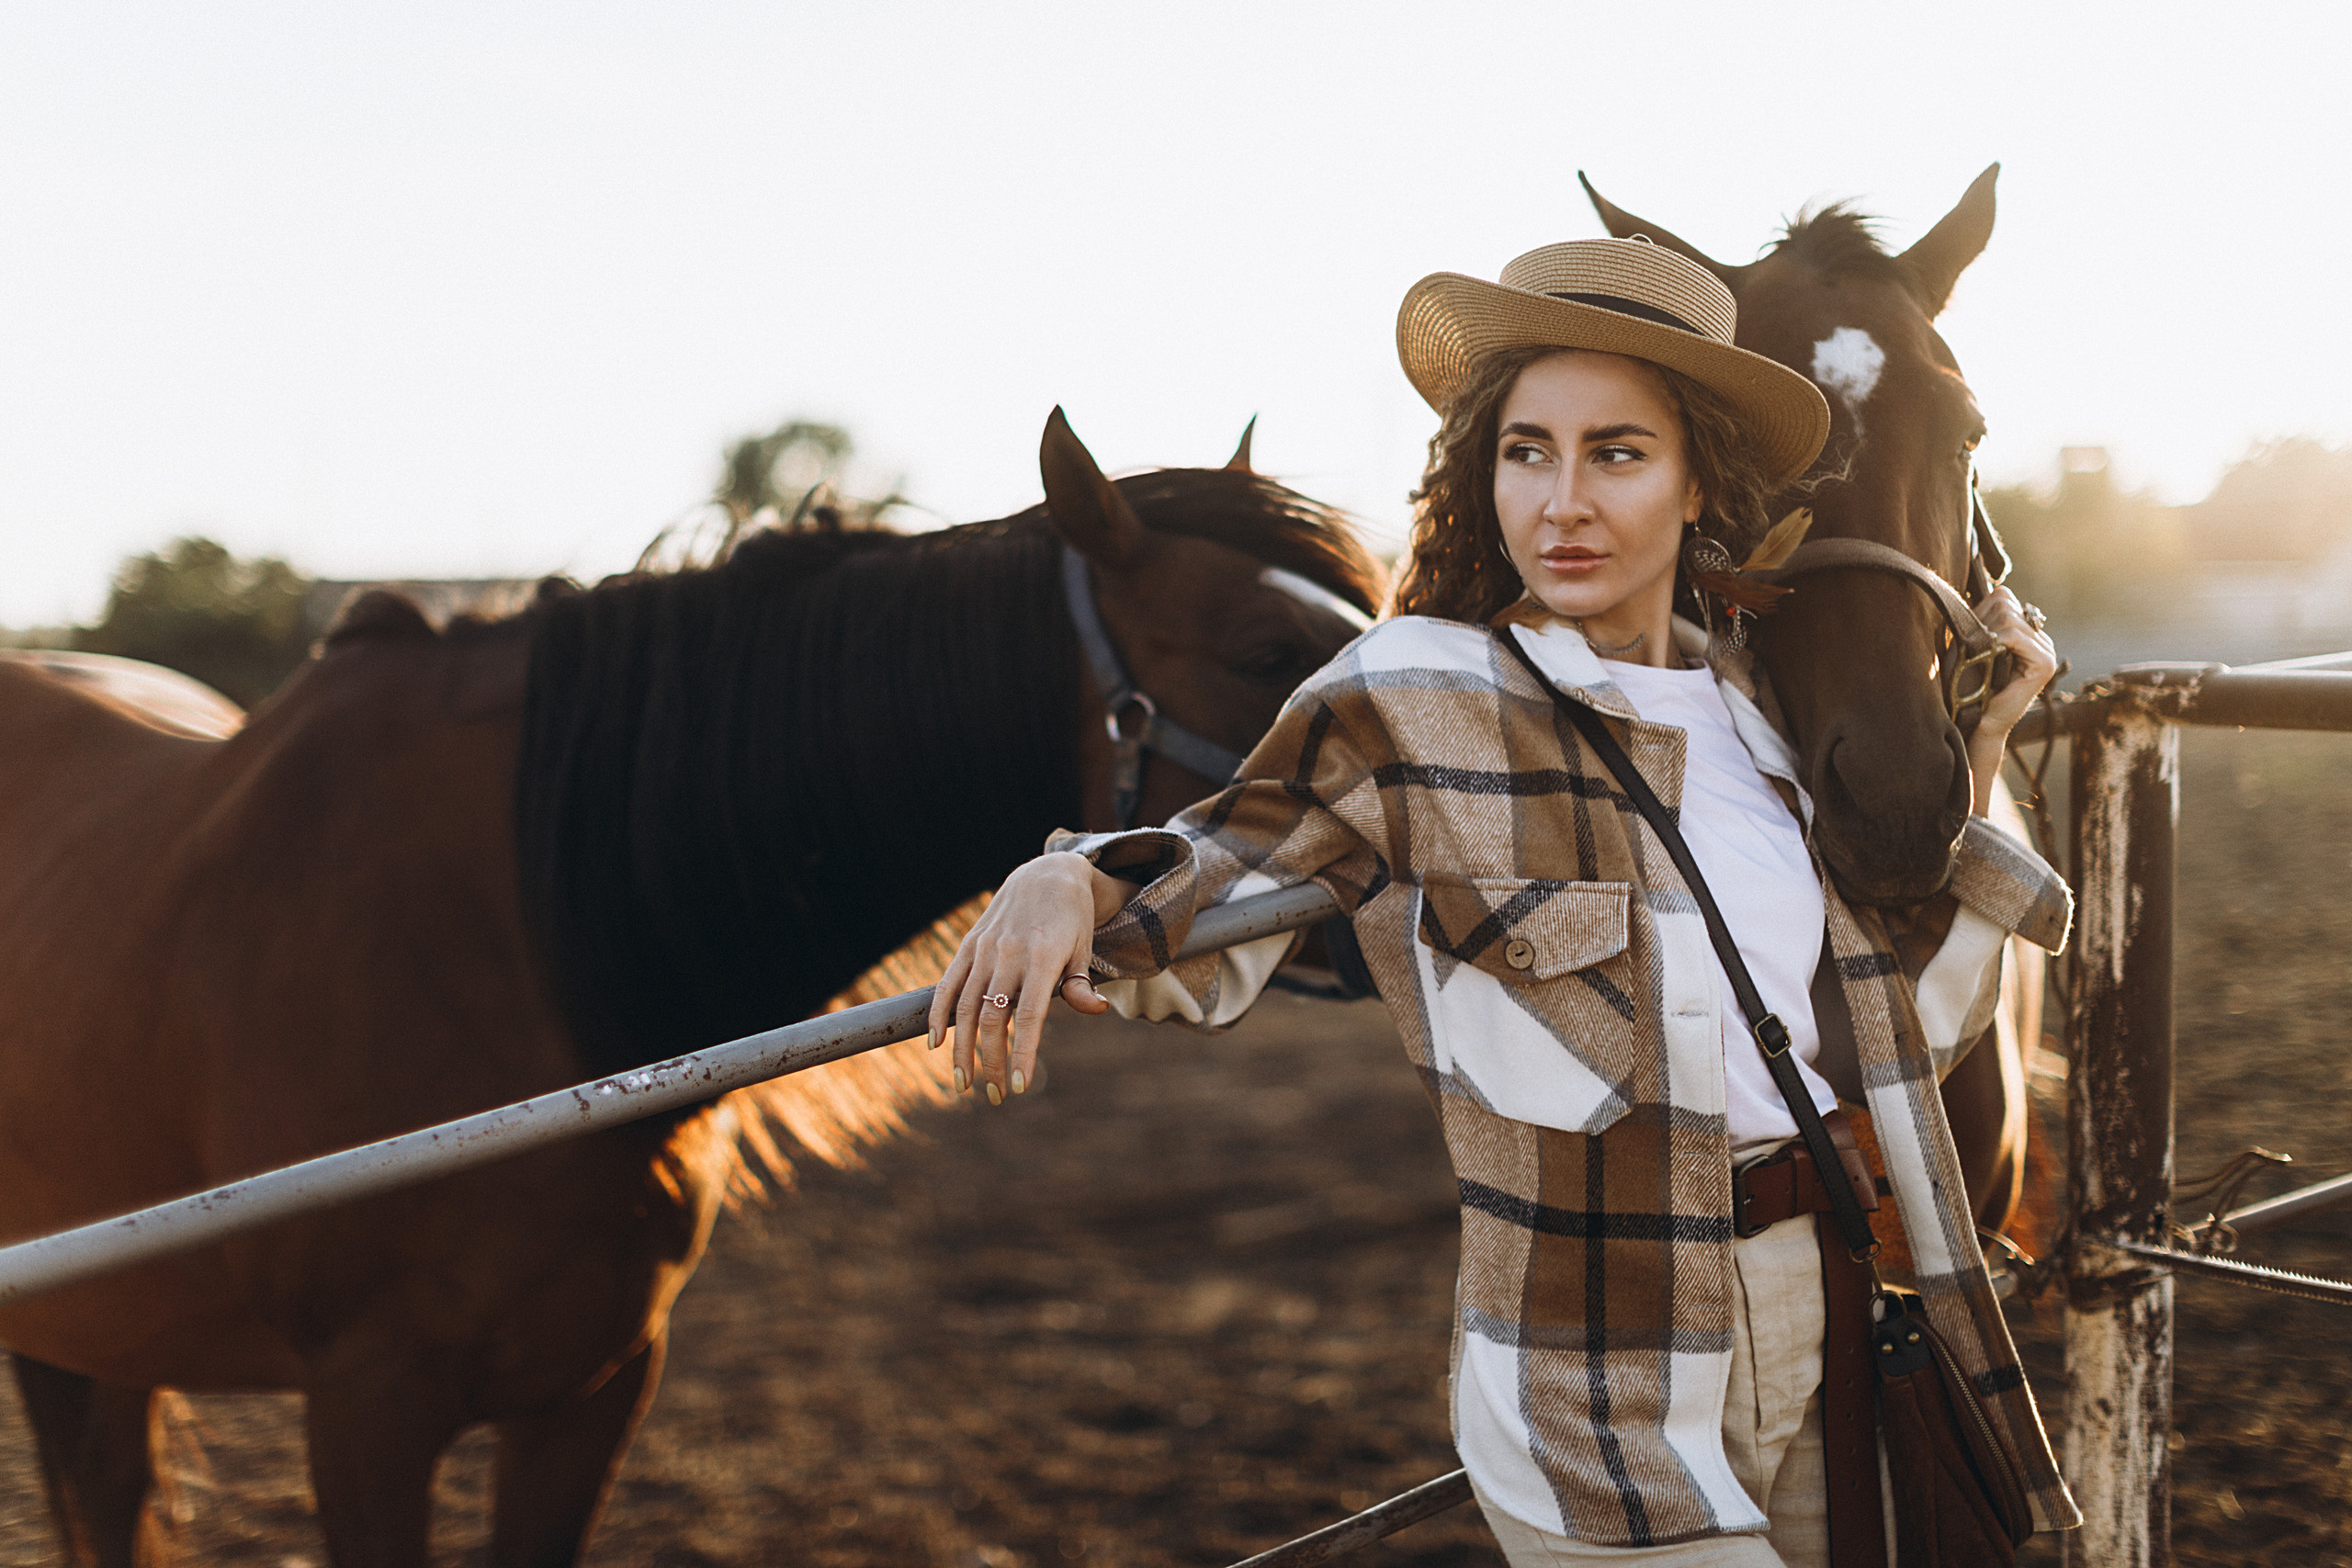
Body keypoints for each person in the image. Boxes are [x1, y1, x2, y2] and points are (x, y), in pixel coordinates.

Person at [927, 238, 2071, 1566]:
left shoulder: (1758, 718)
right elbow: (1228, 852)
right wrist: (1067, 875)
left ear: (1702, 477)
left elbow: (1897, 1029)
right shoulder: (1415, 690)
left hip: (1833, 1318)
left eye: (1617, 453)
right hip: (1601, 1371)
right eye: (1527, 450)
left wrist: (1979, 758)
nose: (1563, 502)